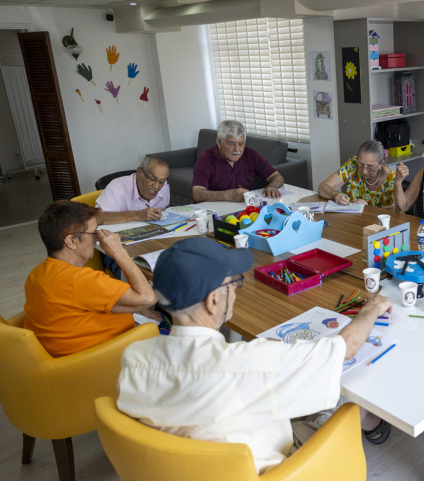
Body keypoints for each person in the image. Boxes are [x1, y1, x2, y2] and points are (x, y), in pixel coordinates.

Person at [117, 237, 394, 475]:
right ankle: (373, 424)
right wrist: (371, 309)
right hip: (277, 471)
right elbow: (345, 348)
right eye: (234, 284)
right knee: (349, 395)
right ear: (213, 300)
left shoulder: (134, 357)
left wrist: (266, 356)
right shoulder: (247, 363)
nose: (235, 293)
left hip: (191, 470)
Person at [23, 201, 158, 357]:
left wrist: (136, 308)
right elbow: (148, 298)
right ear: (71, 241)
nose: (98, 239)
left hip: (63, 356)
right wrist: (119, 252)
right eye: (94, 232)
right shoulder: (80, 280)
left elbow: (80, 303)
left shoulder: (36, 274)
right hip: (102, 358)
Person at [192, 120, 285, 203]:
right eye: (231, 143)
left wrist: (272, 186)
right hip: (213, 211)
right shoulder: (205, 159)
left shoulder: (251, 155)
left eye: (241, 144)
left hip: (244, 209)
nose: (237, 149)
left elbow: (276, 176)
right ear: (219, 142)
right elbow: (197, 194)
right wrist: (229, 195)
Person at [318, 140, 396, 208]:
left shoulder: (391, 178)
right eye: (361, 164)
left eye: (370, 166)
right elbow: (322, 187)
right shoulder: (352, 164)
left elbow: (389, 214)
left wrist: (367, 210)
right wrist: (335, 195)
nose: (364, 171)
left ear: (381, 164)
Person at [96, 155, 170, 225]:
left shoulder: (164, 186)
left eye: (161, 181)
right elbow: (97, 218)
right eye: (151, 179)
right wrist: (136, 215)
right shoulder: (116, 188)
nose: (156, 186)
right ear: (139, 173)